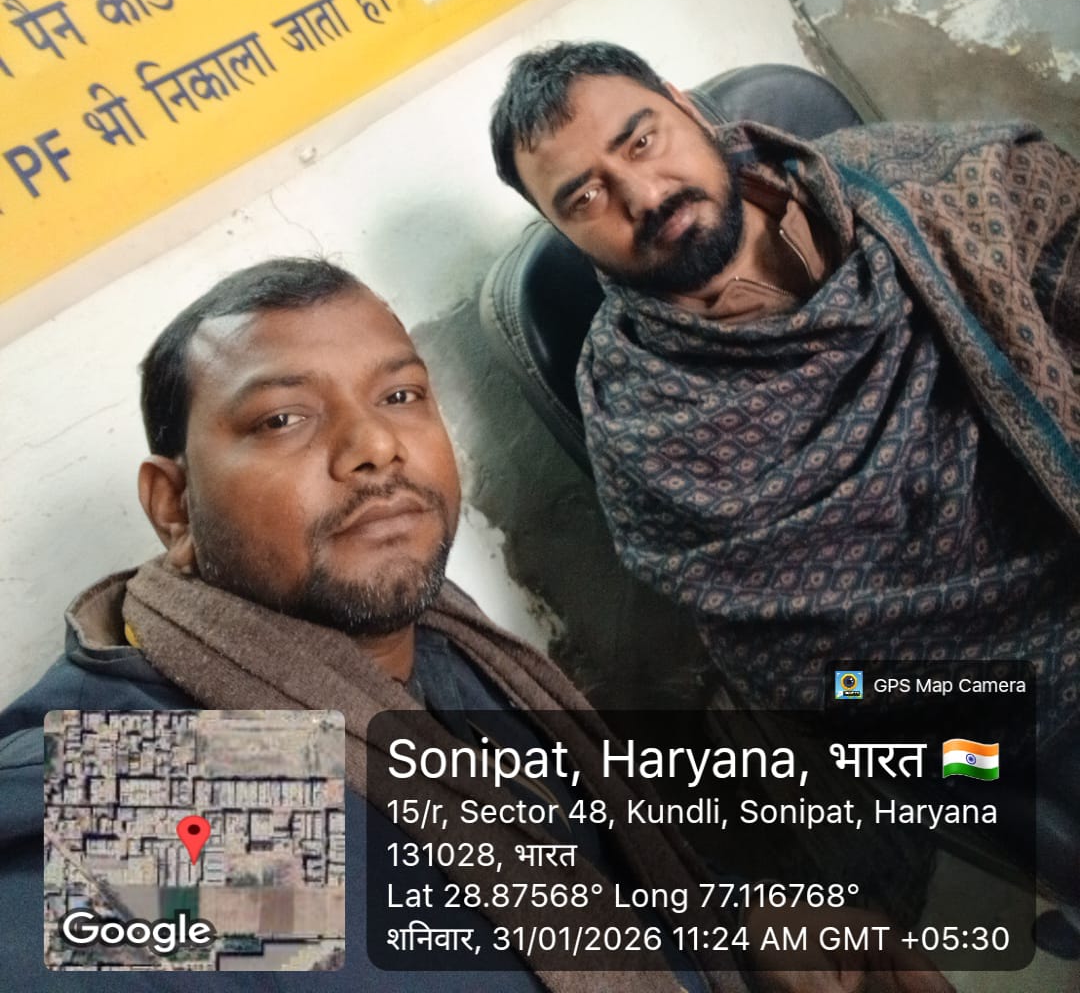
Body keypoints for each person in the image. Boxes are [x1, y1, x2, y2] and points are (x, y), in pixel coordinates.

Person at [0, 258, 946, 993]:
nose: (376, 446)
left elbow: (550, 894)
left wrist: (730, 933)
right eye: (284, 418)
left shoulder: (437, 639)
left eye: (400, 395)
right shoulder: (148, 800)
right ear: (174, 508)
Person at [489, 42, 1080, 755]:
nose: (643, 196)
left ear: (685, 107)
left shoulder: (916, 180)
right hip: (963, 714)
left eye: (642, 142)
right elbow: (807, 676)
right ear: (565, 232)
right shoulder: (639, 423)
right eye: (585, 198)